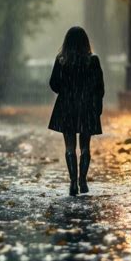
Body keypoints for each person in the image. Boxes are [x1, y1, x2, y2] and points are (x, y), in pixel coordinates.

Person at [48, 26, 105, 196]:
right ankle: (83, 181)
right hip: (86, 106)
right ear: (85, 42)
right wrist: (95, 104)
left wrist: (66, 91)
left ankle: (73, 182)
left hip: (67, 107)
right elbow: (99, 87)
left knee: (70, 147)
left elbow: (53, 84)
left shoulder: (62, 60)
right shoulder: (92, 61)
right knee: (85, 146)